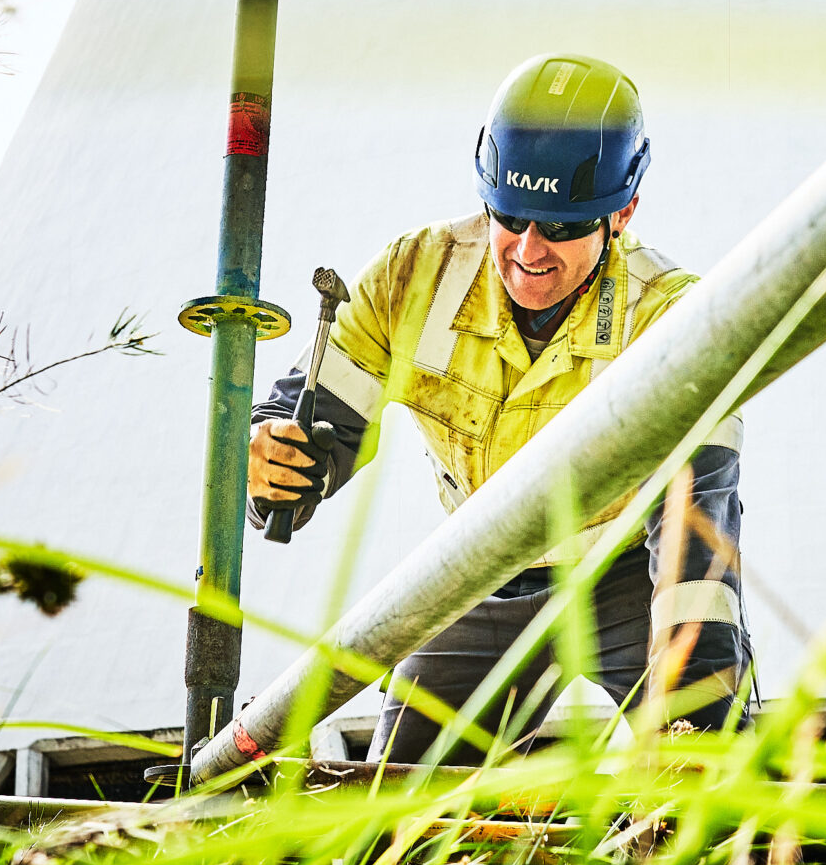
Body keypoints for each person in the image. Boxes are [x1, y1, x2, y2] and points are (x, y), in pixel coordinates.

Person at [246, 54, 752, 765]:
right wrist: (278, 465)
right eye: (508, 217)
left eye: (563, 226)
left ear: (624, 210)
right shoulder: (412, 277)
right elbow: (315, 421)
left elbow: (697, 523)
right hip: (481, 565)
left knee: (707, 766)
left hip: (623, 572)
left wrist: (692, 704)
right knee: (400, 801)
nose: (527, 251)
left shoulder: (671, 316)